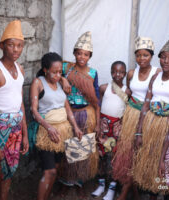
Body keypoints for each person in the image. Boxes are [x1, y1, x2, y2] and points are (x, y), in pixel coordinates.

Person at [132, 35, 169, 198]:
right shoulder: (155, 77)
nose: (166, 61)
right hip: (150, 124)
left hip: (168, 127)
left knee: (161, 161)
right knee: (149, 159)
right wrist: (139, 131)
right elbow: (145, 105)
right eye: (163, 58)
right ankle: (149, 192)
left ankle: (159, 192)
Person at [0, 20, 29, 200]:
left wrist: (24, 133)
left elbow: (20, 104)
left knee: (9, 173)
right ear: (2, 45)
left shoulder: (21, 69)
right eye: (11, 45)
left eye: (19, 46)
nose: (15, 49)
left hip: (16, 129)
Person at [111, 37, 160, 200]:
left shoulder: (157, 72)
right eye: (138, 55)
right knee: (128, 151)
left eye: (145, 55)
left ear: (151, 56)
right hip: (131, 113)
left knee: (143, 152)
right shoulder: (132, 73)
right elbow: (128, 93)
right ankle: (127, 189)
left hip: (147, 116)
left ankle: (140, 189)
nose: (141, 59)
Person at [30, 52, 83, 200]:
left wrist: (76, 127)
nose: (57, 75)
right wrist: (48, 127)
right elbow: (34, 110)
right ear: (45, 70)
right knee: (49, 171)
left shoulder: (60, 83)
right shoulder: (38, 83)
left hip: (62, 132)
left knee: (56, 169)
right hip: (47, 132)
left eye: (60, 72)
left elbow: (67, 108)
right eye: (54, 72)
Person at [60, 31, 100, 197]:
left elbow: (96, 99)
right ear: (74, 53)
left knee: (81, 149)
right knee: (65, 148)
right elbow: (45, 72)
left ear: (89, 56)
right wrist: (62, 79)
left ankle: (79, 181)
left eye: (85, 54)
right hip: (67, 113)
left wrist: (98, 123)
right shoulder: (65, 68)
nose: (82, 57)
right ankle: (65, 181)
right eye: (79, 53)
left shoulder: (92, 73)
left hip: (85, 113)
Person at [91, 61, 130, 200]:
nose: (117, 74)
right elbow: (99, 106)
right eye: (114, 71)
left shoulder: (127, 91)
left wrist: (123, 128)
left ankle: (112, 188)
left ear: (125, 73)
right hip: (103, 125)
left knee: (114, 158)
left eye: (120, 72)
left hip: (117, 127)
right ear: (110, 72)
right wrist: (98, 125)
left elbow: (127, 111)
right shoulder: (104, 88)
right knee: (101, 156)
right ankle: (101, 184)